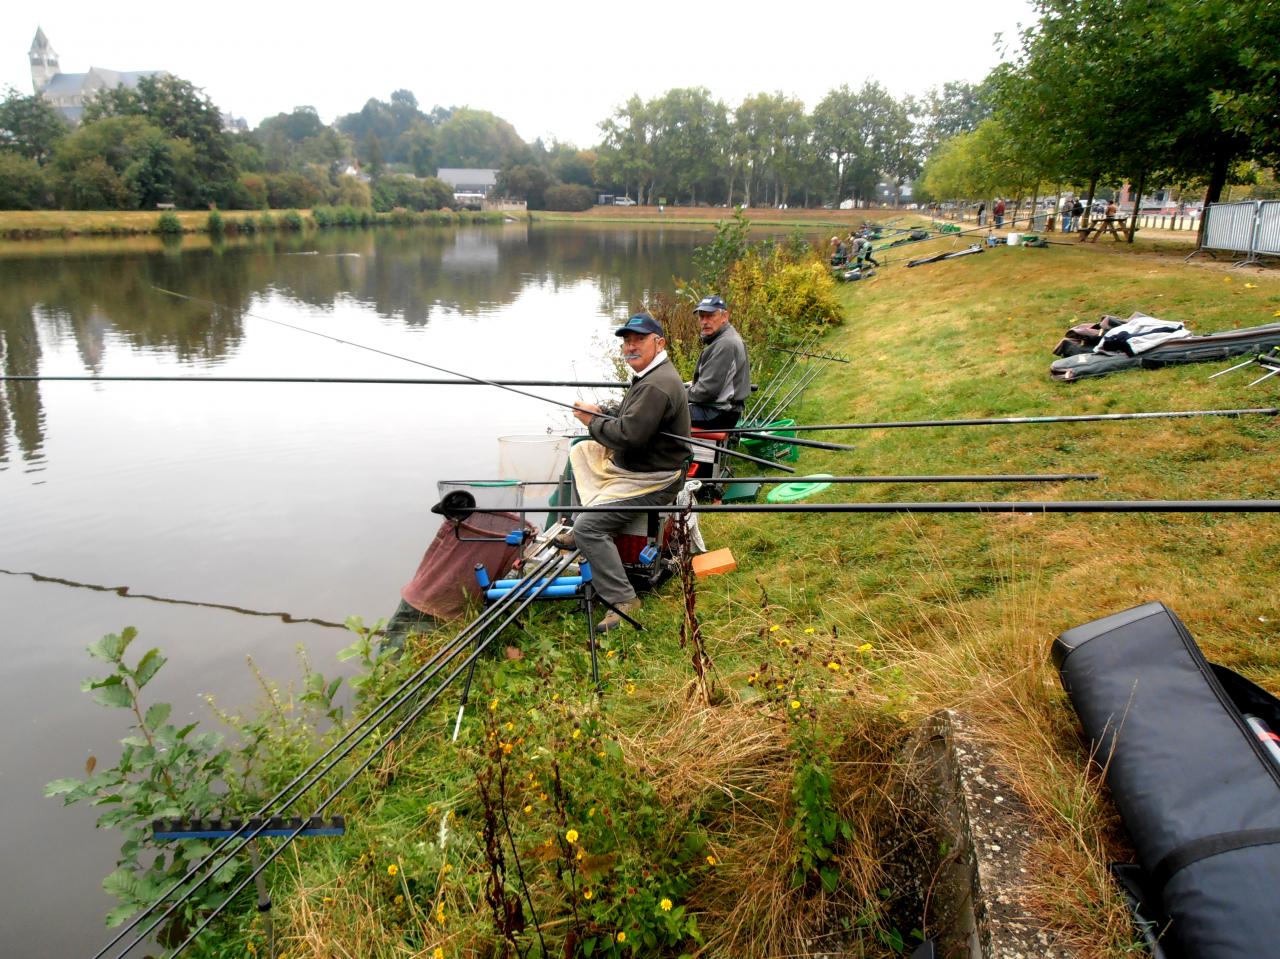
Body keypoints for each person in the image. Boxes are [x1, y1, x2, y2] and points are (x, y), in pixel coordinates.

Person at [563, 314, 691, 633]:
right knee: (580, 451)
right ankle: (579, 530)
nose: (629, 346)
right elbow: (627, 420)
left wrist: (591, 423)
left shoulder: (657, 385)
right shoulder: (650, 374)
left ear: (659, 342)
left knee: (589, 527)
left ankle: (623, 599)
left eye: (638, 339)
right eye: (626, 340)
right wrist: (602, 414)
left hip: (655, 477)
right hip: (639, 463)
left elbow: (629, 436)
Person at [687, 295, 750, 429]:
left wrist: (675, 394)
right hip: (723, 410)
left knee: (659, 411)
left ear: (724, 316)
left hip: (718, 414)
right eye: (701, 316)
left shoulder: (725, 344)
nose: (704, 321)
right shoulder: (727, 336)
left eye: (710, 316)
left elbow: (706, 392)